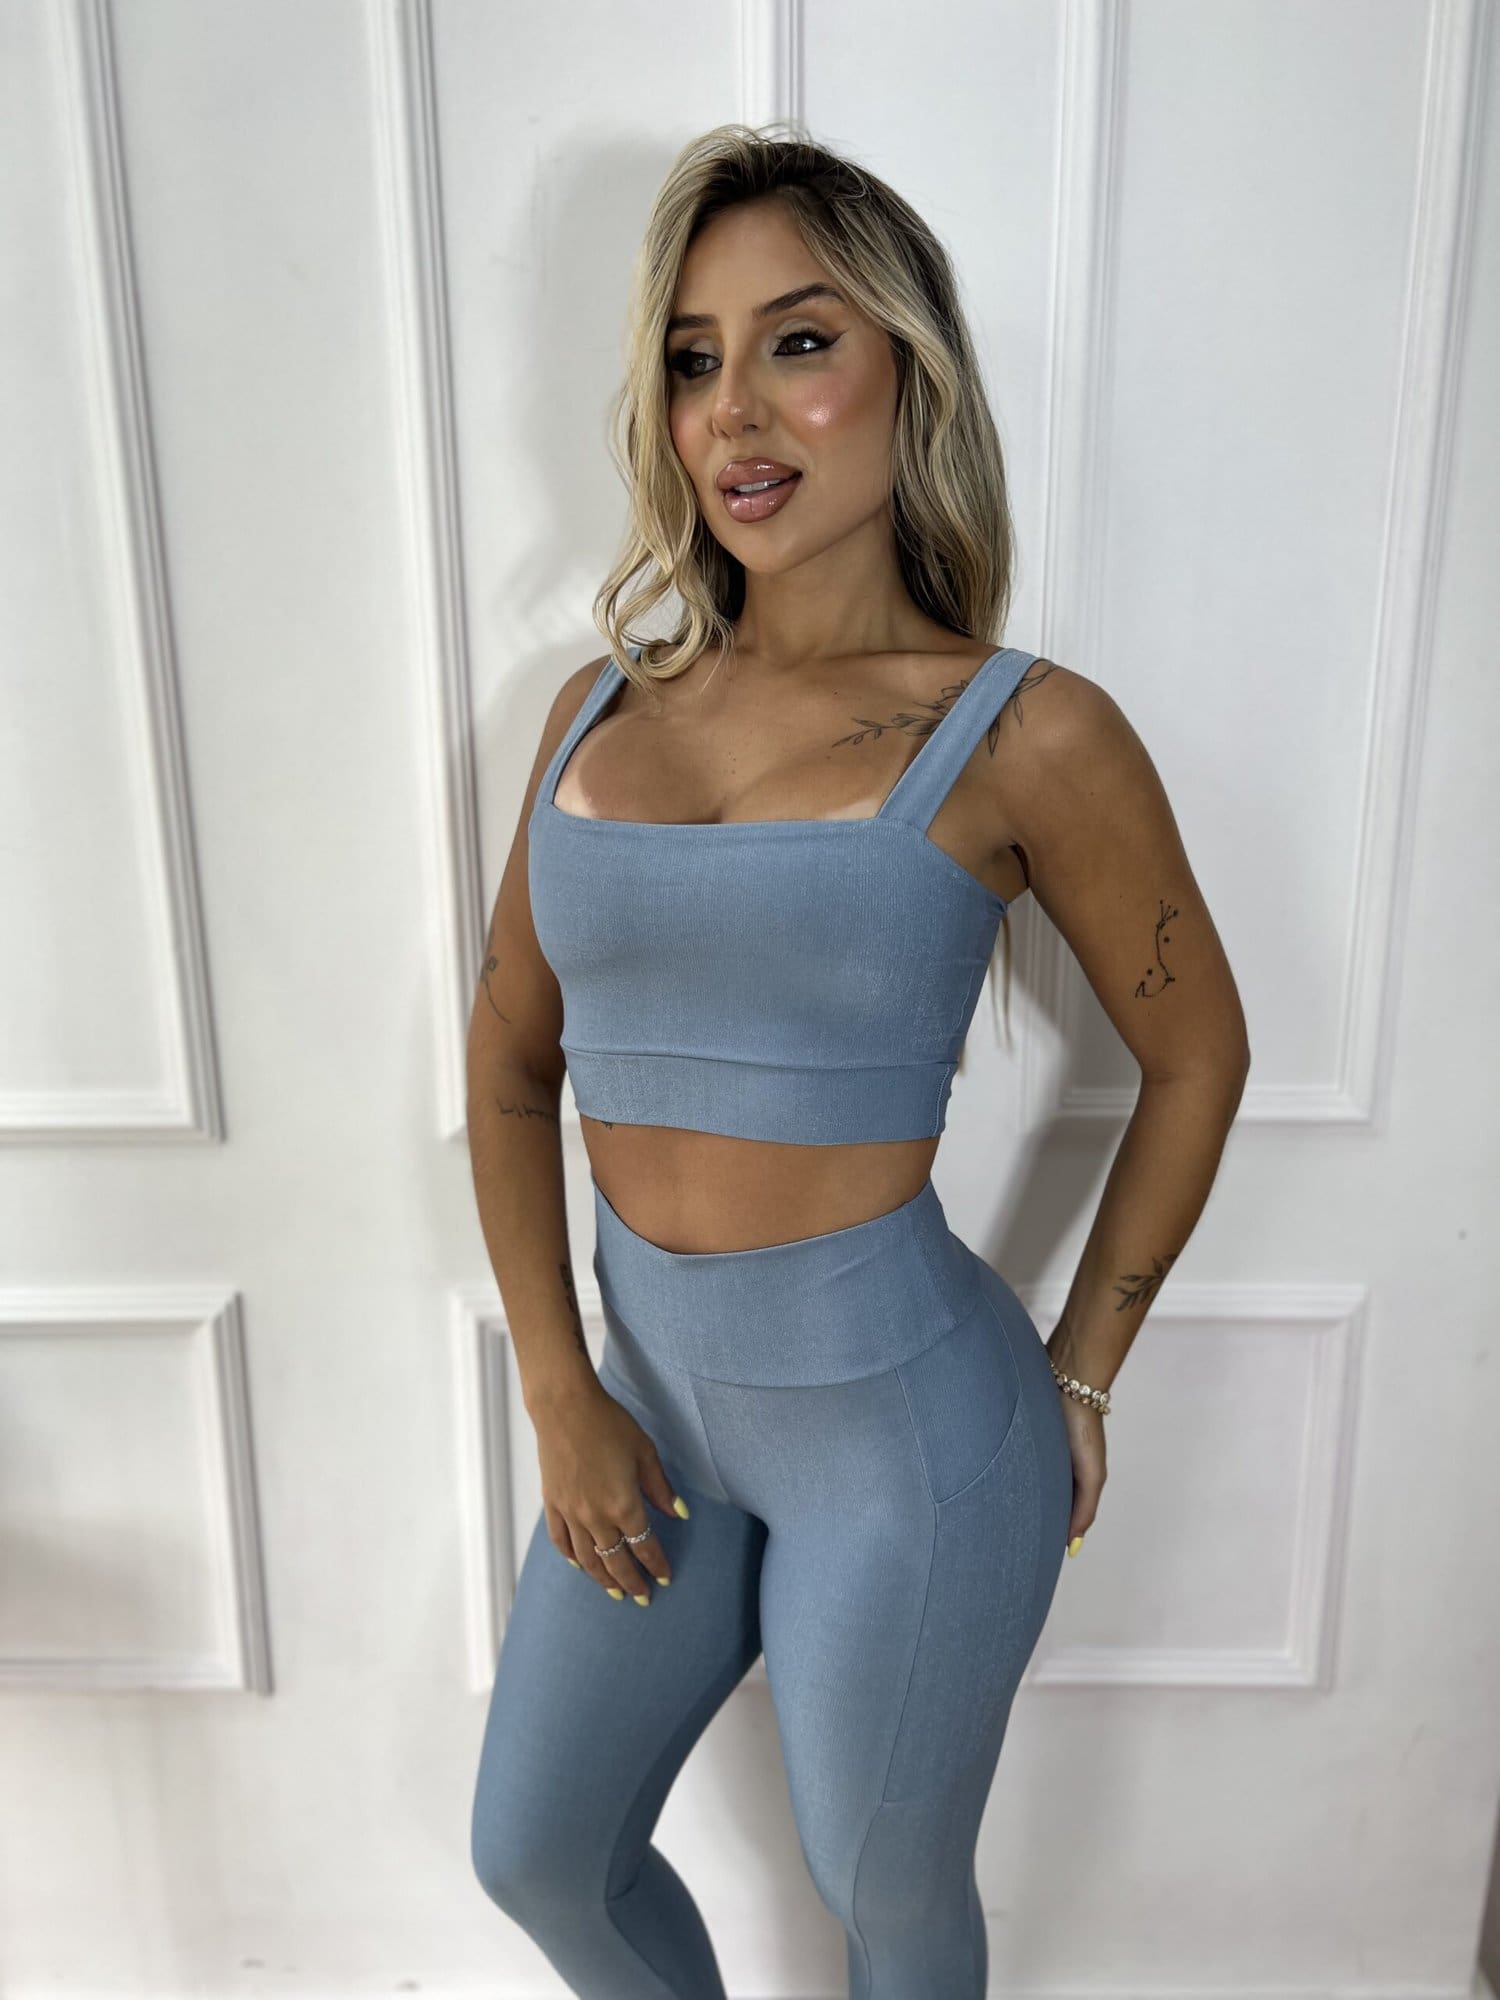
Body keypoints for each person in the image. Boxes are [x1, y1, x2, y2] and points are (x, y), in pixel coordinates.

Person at [465, 123, 1250, 2000]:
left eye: (799, 342)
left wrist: (1085, 1372)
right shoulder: (591, 710)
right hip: (649, 1413)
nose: (735, 409)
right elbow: (506, 1067)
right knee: (542, 1856)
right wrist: (562, 1391)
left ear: (913, 370)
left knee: (881, 1886)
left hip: (906, 1441)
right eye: (693, 358)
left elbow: (1198, 1053)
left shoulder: (1026, 733)